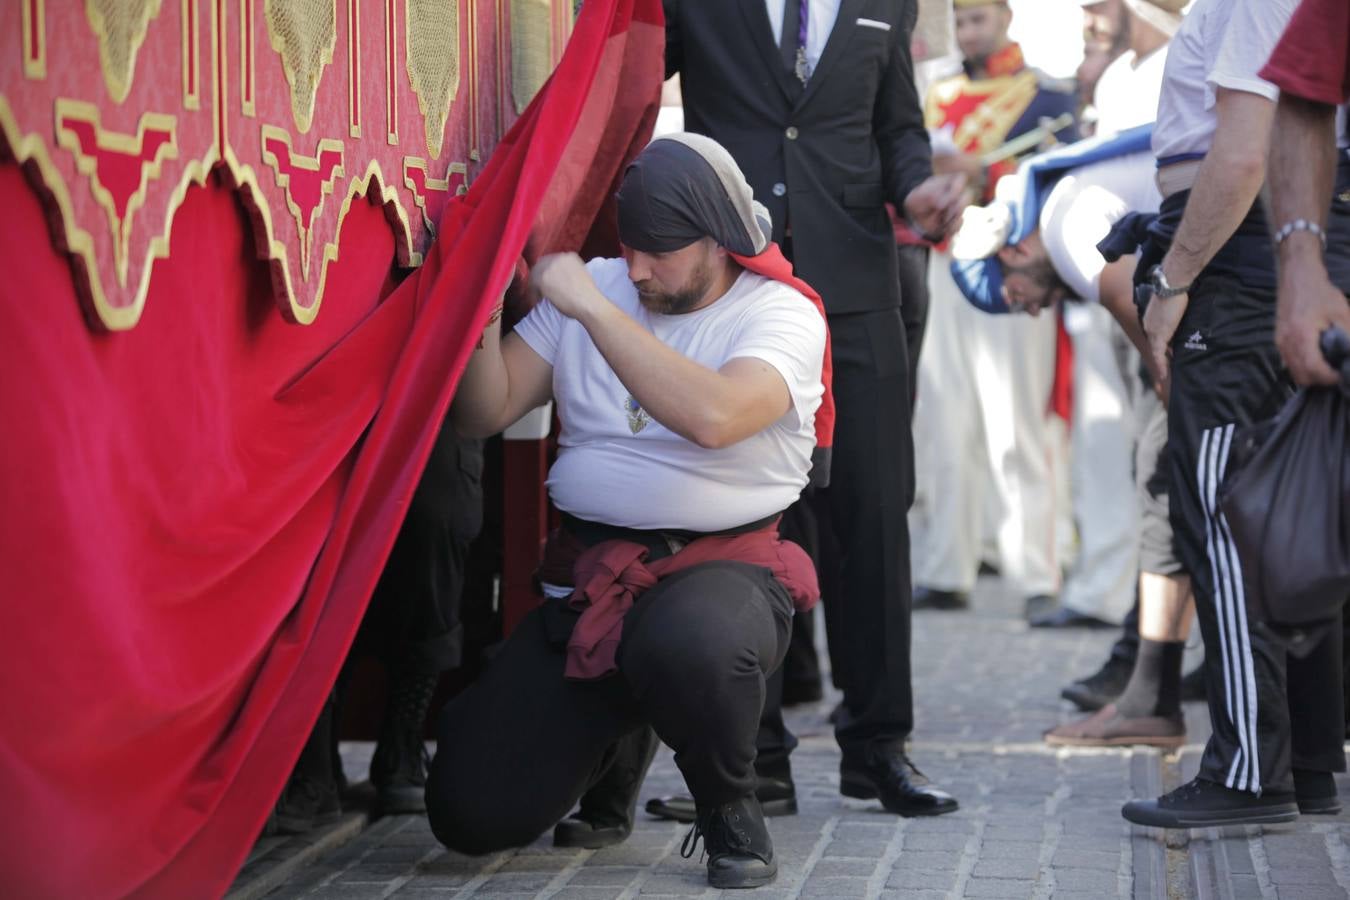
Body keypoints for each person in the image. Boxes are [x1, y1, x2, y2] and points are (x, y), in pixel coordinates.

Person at [425, 134, 829, 889]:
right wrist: (478, 305)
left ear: (717, 240)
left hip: (719, 573)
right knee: (469, 816)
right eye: (630, 247)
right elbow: (487, 408)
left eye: (661, 252)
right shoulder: (605, 281)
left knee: (689, 643)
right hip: (588, 577)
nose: (637, 268)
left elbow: (715, 417)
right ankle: (618, 743)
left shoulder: (779, 314)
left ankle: (729, 805)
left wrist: (589, 308)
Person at [640, 0, 965, 826]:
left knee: (875, 514)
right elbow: (625, 88)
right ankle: (752, 762)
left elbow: (897, 127)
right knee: (741, 516)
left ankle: (880, 748)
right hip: (737, 286)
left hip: (857, 286)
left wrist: (921, 187)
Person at [1118, 0, 1347, 827]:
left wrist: (1173, 282)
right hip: (1268, 253)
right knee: (1295, 511)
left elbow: (1246, 151)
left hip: (1237, 259)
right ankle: (1308, 759)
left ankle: (1252, 771)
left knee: (1228, 522)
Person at [948, 125, 1197, 747]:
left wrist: (1164, 372)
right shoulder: (1067, 204)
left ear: (1009, 254)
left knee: (1164, 487)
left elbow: (1120, 289)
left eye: (1017, 298)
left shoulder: (1063, 225)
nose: (1032, 309)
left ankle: (1152, 693)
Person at [909, 0, 1078, 619]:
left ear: (1006, 16)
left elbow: (1056, 174)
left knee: (1016, 426)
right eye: (960, 20)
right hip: (947, 261)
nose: (968, 31)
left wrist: (986, 172)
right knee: (945, 423)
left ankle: (1036, 572)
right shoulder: (938, 95)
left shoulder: (1046, 97)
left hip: (1011, 267)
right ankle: (947, 568)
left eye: (978, 18)